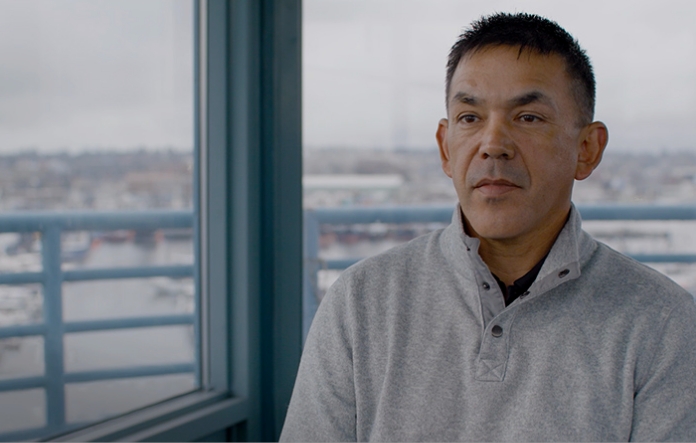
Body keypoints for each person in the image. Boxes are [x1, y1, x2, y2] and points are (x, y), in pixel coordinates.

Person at [280, 12, 696, 442]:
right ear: (445, 147)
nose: (493, 144)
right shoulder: (360, 304)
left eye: (528, 117)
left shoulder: (662, 325)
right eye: (470, 118)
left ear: (587, 149)